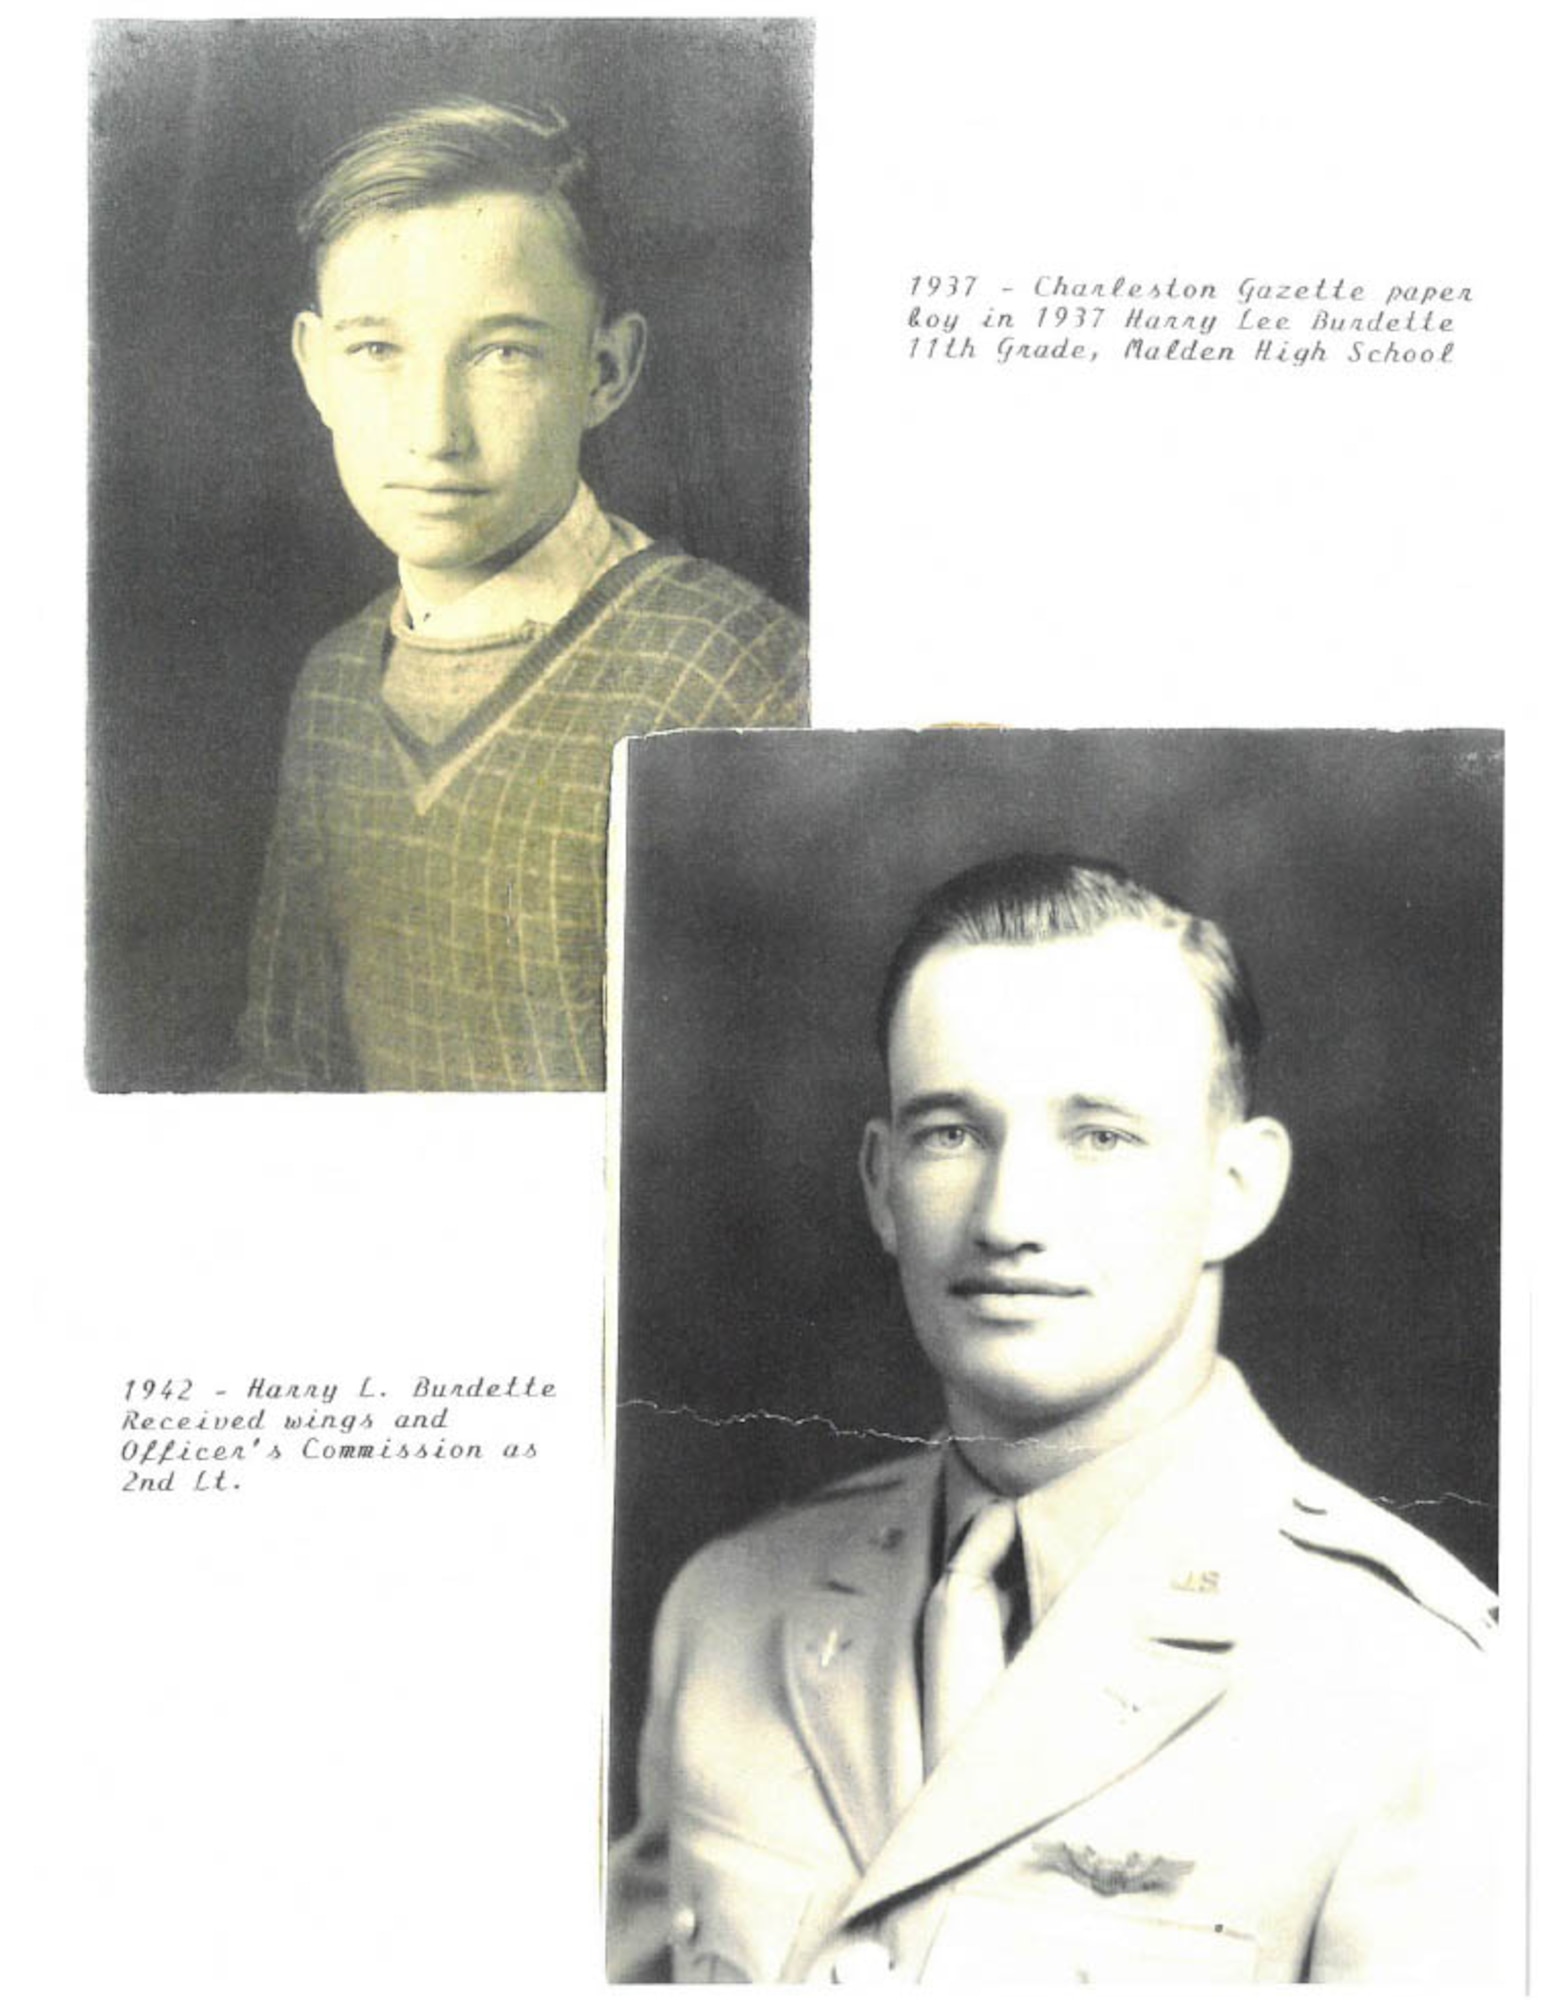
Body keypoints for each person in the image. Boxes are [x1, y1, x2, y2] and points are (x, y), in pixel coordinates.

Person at [607, 852, 1500, 1983]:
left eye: (1101, 1135)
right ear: (880, 1184)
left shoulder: (1419, 1689)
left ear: (1238, 1187)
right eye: (949, 1132)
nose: (1008, 1215)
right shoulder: (727, 1610)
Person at [230, 97, 807, 1091]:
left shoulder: (747, 680)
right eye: (376, 350)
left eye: (504, 351)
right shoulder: (332, 687)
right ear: (314, 368)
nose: (432, 432)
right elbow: (288, 1071)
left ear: (606, 369)